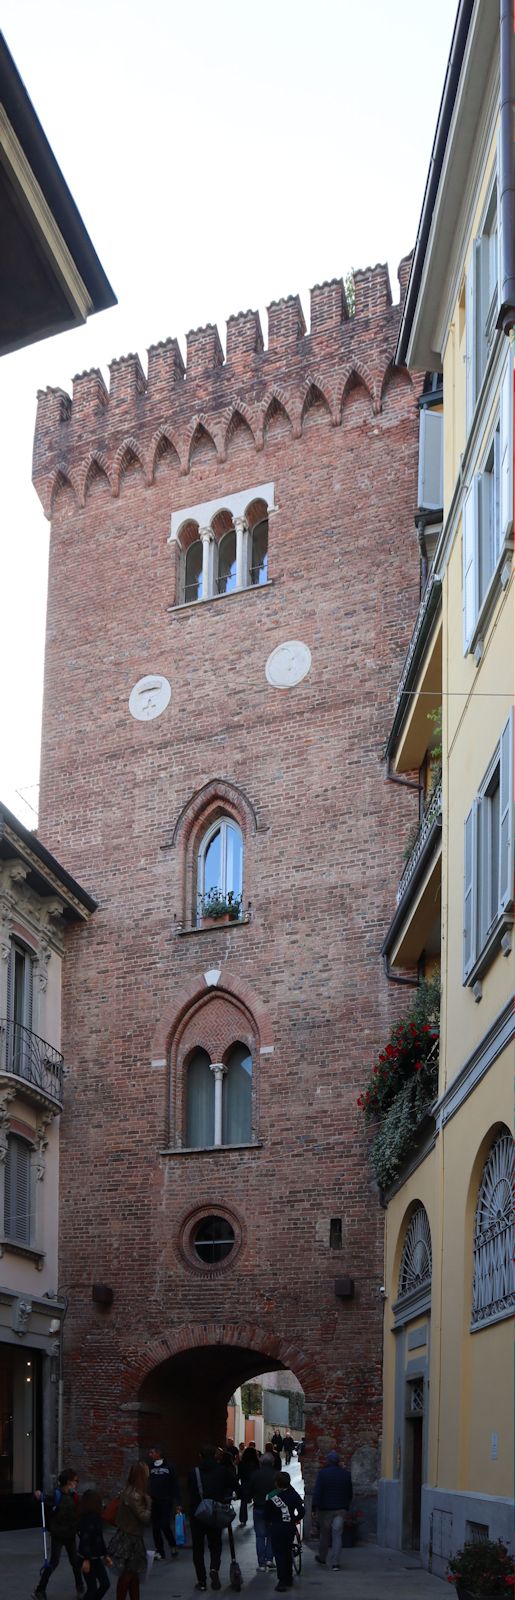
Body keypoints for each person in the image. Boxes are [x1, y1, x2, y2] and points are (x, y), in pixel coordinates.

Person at [187, 1445, 237, 1592]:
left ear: (200, 1456)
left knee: (198, 1548)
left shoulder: (193, 1472)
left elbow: (190, 1491)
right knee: (215, 1544)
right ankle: (214, 1568)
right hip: (215, 1513)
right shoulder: (222, 1471)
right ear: (215, 1456)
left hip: (198, 1514)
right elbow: (234, 1484)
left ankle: (201, 1581)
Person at [32, 1468, 83, 1599]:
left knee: (75, 1562)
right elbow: (44, 1498)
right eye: (75, 1480)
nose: (77, 1483)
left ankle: (80, 1588)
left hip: (70, 1535)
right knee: (54, 1562)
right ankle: (40, 1590)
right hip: (58, 1535)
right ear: (68, 1482)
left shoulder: (73, 1496)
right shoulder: (57, 1495)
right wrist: (38, 1494)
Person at [107, 1461, 151, 1600]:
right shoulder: (135, 1495)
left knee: (132, 1576)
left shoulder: (127, 1490)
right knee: (128, 1575)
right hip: (131, 1539)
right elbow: (144, 1517)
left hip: (126, 1535)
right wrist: (149, 1504)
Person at [312, 1450, 353, 1570]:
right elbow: (349, 1492)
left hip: (325, 1510)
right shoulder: (346, 1474)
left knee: (324, 1535)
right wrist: (346, 1505)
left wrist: (314, 1507)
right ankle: (335, 1563)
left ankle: (322, 1557)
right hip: (340, 1508)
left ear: (328, 1461)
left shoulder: (323, 1474)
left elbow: (318, 1491)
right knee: (337, 1535)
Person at [265, 1471, 304, 1593]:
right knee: (287, 1551)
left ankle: (282, 1580)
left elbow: (266, 1515)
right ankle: (289, 1576)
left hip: (276, 1527)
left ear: (276, 1483)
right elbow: (302, 1511)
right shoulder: (294, 1494)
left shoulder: (271, 1496)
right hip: (289, 1528)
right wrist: (295, 1519)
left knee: (279, 1553)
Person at [77, 1490, 112, 1599]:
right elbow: (85, 1540)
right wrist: (86, 1560)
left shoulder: (96, 1518)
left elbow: (99, 1539)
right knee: (92, 1588)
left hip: (95, 1557)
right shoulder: (87, 1519)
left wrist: (105, 1555)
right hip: (86, 1557)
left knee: (105, 1584)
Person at [247, 1451, 277, 1572]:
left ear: (261, 1462)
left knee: (260, 1536)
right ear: (273, 1462)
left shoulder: (255, 1475)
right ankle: (270, 1559)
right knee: (271, 1535)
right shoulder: (276, 1475)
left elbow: (249, 1491)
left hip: (259, 1507)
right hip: (273, 1509)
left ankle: (261, 1563)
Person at [148, 1447, 179, 1561]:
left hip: (166, 1500)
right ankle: (160, 1551)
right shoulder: (150, 1466)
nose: (150, 1454)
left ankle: (172, 1545)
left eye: (152, 1452)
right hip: (154, 1500)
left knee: (165, 1525)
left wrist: (178, 1501)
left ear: (159, 1453)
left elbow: (175, 1484)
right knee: (155, 1527)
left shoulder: (169, 1466)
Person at [238, 1441, 259, 1527]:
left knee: (243, 1502)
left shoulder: (241, 1463)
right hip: (255, 1484)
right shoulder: (256, 1463)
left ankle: (243, 1519)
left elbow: (239, 1475)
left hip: (245, 1483)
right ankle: (256, 1519)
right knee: (257, 1502)